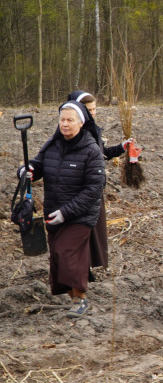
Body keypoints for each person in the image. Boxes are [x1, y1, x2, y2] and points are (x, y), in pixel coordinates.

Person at [24, 101, 105, 316]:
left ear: (81, 123)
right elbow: (39, 165)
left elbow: (94, 189)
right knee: (58, 259)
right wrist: (28, 170)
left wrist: (66, 212)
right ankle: (74, 298)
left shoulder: (91, 150)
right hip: (54, 209)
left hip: (80, 214)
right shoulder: (53, 145)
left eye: (70, 120)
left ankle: (81, 300)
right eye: (62, 119)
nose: (65, 124)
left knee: (67, 252)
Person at [68, 91, 133, 274]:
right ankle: (79, 270)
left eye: (95, 109)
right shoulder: (75, 134)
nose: (93, 113)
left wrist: (122, 147)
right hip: (81, 190)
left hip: (94, 189)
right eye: (89, 110)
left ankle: (86, 269)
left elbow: (102, 154)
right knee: (80, 231)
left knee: (93, 231)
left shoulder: (93, 130)